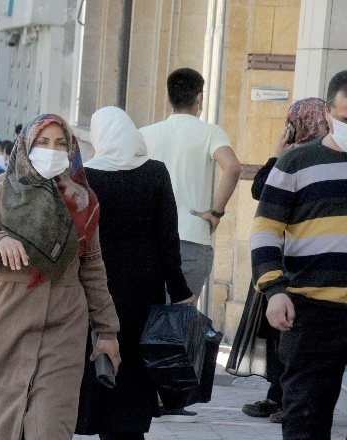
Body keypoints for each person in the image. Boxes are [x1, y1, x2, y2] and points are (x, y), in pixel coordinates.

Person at [0, 113, 121, 439]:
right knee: (1, 428)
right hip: (7, 325)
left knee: (49, 427)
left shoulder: (84, 201)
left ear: (71, 150)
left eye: (60, 143)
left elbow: (93, 267)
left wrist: (107, 331)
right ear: (27, 146)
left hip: (64, 326)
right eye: (43, 142)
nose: (52, 150)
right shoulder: (1, 195)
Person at [75, 107, 195, 439]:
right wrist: (180, 289)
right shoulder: (156, 172)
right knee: (136, 364)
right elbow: (168, 238)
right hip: (145, 286)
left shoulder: (87, 177)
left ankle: (103, 424)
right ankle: (130, 428)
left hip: (100, 286)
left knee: (104, 353)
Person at [140, 67, 241, 422]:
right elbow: (233, 167)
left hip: (151, 238)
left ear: (168, 97)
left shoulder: (146, 134)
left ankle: (144, 391)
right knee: (178, 319)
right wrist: (216, 211)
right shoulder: (209, 132)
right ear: (200, 97)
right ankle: (171, 396)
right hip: (193, 237)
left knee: (148, 314)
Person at [252, 71, 347, 439]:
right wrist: (274, 290)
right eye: (346, 118)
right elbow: (265, 229)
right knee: (305, 422)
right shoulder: (296, 163)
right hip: (311, 313)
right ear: (328, 114)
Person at [239, 97, 330, 424]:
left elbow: (260, 190)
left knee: (293, 336)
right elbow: (260, 194)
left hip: (304, 265)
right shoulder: (296, 157)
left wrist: (277, 153)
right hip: (281, 263)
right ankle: (278, 397)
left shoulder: (309, 159)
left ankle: (288, 402)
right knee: (278, 333)